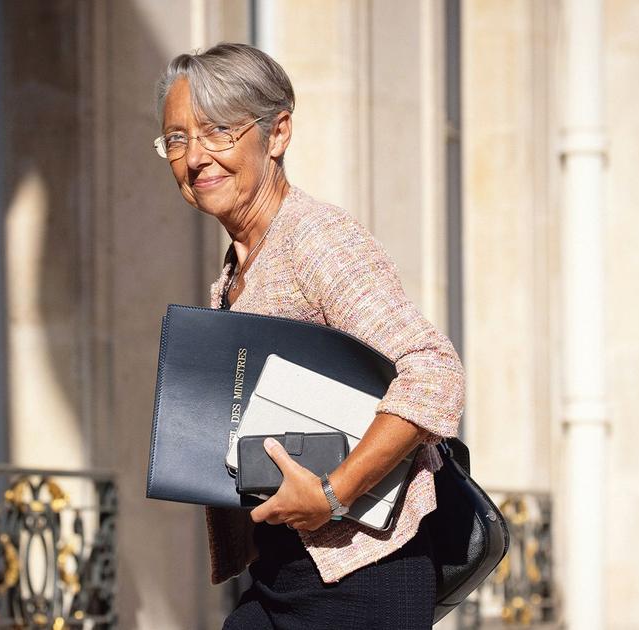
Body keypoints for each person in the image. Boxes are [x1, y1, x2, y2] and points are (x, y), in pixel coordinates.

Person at [153, 43, 466, 629]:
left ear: (277, 134)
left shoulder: (316, 239)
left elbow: (432, 371)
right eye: (176, 138)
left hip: (363, 576)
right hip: (283, 572)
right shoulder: (229, 275)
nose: (195, 157)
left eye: (218, 131)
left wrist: (333, 493)